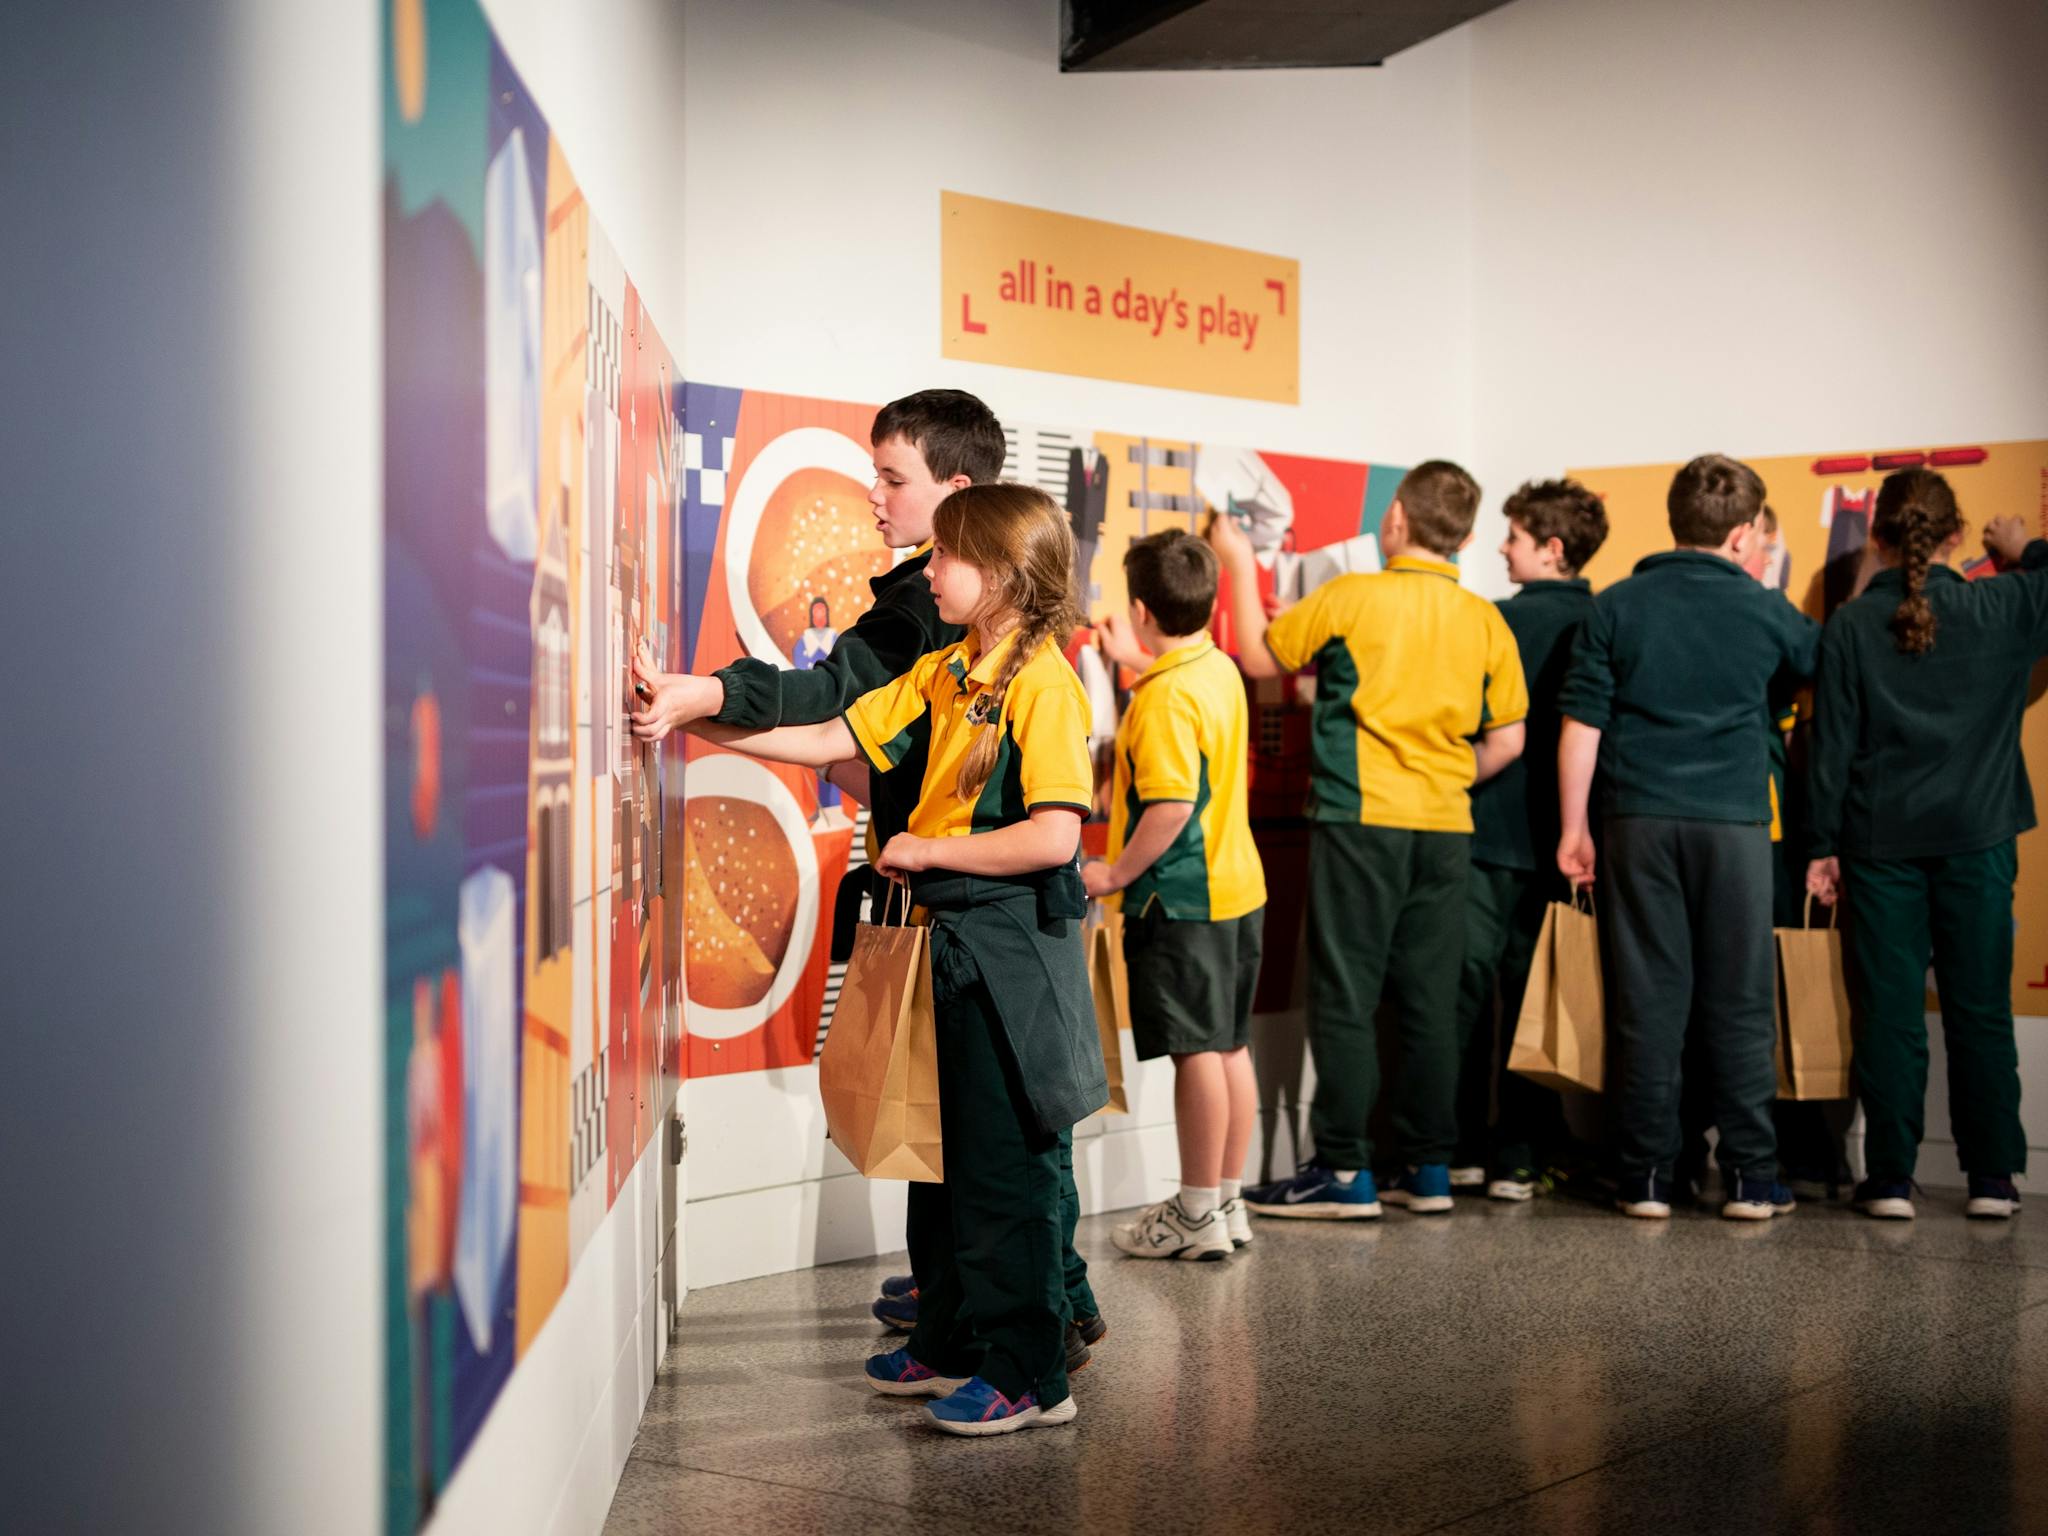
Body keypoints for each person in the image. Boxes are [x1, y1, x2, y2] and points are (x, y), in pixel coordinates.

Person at [630, 392, 1108, 1369]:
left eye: (897, 484)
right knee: (961, 1156)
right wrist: (693, 706)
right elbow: (826, 729)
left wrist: (929, 850)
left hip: (1005, 946)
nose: (918, 566)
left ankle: (1027, 1349)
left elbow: (1053, 834)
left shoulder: (1038, 681)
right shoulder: (944, 669)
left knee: (1007, 1165)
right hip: (951, 941)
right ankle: (967, 1326)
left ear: (982, 536)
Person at [1208, 461, 1528, 1218]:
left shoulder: (1351, 596)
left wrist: (1233, 562)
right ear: (1468, 536)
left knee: (1347, 995)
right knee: (1428, 1001)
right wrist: (1444, 775)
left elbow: (1258, 657)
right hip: (1446, 826)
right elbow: (1508, 740)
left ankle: (1346, 1170)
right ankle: (1429, 1170)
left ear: (1397, 523)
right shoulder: (1486, 619)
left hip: (1360, 821)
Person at [1556, 453, 1819, 1221]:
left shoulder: (1617, 605)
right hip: (1734, 825)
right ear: (1743, 534)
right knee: (1740, 1002)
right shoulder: (1765, 609)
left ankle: (1645, 1175)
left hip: (1636, 818)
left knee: (1648, 1000)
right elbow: (1814, 668)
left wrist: (1575, 828)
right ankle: (1749, 1176)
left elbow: (1583, 723)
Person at [1806, 476, 2048, 1221]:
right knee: (1980, 1013)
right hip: (1979, 841)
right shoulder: (2003, 603)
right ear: (1954, 535)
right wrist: (2022, 550)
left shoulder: (1849, 626)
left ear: (1877, 538)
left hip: (1880, 847)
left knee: (1889, 1015)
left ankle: (1887, 1178)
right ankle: (1994, 1178)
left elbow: (1830, 748)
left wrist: (1821, 846)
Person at [1083, 530, 1266, 1260]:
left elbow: (1169, 805)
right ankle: (1223, 1199)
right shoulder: (1215, 667)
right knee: (1227, 1047)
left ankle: (1193, 1215)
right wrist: (1136, 659)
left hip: (1181, 899)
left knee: (1196, 1052)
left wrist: (1115, 873)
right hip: (1238, 889)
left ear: (1139, 608)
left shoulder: (1160, 700)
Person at [1453, 479, 1607, 1202]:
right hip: (1565, 844)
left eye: (1512, 536)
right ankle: (1520, 1153)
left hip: (1486, 834)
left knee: (1465, 998)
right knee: (1536, 1000)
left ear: (1551, 548)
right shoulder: (1608, 619)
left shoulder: (1492, 622)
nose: (1501, 547)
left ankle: (1456, 1149)